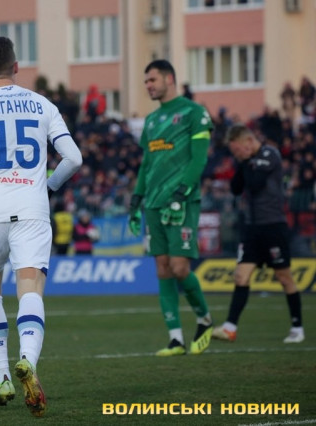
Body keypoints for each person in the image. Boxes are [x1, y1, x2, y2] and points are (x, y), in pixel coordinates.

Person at [0, 36, 82, 417]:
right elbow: (74, 158)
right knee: (30, 286)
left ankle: (2, 378)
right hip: (30, 208)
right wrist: (49, 186)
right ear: (17, 66)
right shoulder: (43, 104)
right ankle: (28, 360)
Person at [127, 59, 214, 357]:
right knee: (162, 268)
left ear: (169, 79)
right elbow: (146, 165)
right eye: (146, 82)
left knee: (179, 267)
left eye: (152, 80)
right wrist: (136, 200)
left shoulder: (194, 112)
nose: (148, 86)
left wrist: (181, 192)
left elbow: (199, 158)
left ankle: (204, 319)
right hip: (154, 203)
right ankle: (175, 339)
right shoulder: (151, 120)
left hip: (182, 202)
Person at [212, 124, 305, 344]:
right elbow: (236, 188)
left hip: (273, 226)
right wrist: (242, 162)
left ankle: (297, 327)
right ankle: (230, 328)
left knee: (284, 278)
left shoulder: (269, 154)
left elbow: (255, 184)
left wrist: (245, 163)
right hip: (252, 228)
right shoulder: (247, 161)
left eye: (237, 150)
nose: (236, 154)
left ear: (248, 141)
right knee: (241, 276)